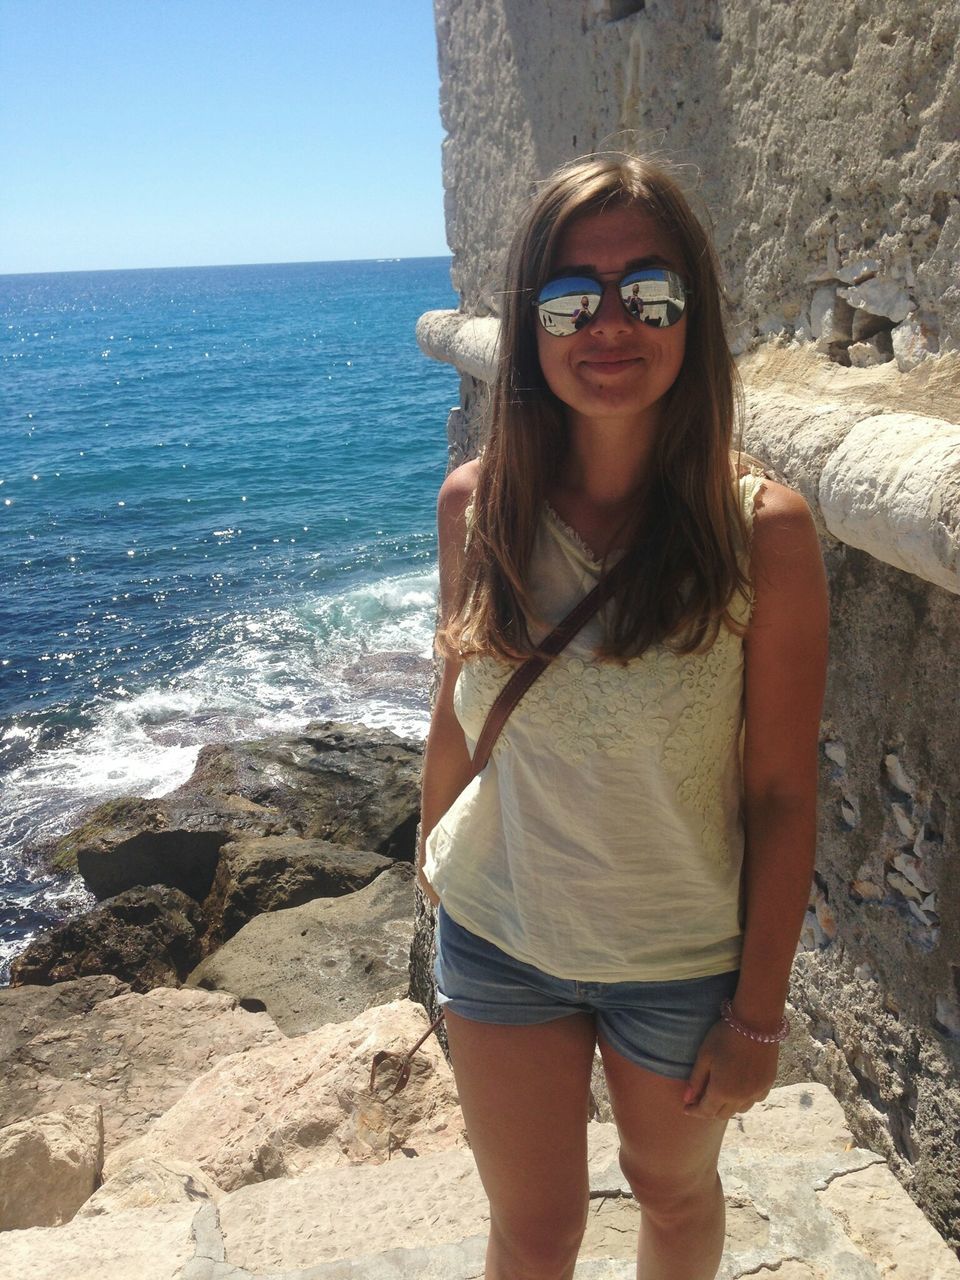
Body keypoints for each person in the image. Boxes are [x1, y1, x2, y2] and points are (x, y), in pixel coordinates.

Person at [418, 153, 828, 1280]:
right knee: (535, 1229)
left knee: (675, 1190)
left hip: (681, 956)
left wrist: (757, 1015)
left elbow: (784, 789)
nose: (609, 323)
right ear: (530, 322)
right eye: (570, 296)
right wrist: (429, 856)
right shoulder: (477, 506)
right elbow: (454, 709)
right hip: (501, 936)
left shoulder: (765, 534)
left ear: (692, 316)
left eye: (648, 292)